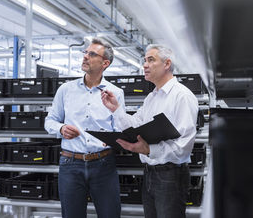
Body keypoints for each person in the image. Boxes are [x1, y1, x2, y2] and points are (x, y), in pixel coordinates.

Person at [101, 44, 198, 218]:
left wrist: (148, 149)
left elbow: (184, 146)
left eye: (151, 60)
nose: (144, 65)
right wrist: (116, 109)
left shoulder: (182, 96)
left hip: (171, 174)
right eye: (144, 60)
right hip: (150, 172)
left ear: (167, 64)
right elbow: (135, 124)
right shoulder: (152, 97)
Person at [45, 38, 124, 218]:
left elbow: (120, 128)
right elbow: (50, 121)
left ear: (105, 63)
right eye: (85, 53)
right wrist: (61, 128)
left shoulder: (115, 93)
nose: (85, 57)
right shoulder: (66, 89)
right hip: (71, 164)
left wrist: (113, 138)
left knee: (110, 215)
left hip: (103, 164)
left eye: (92, 54)